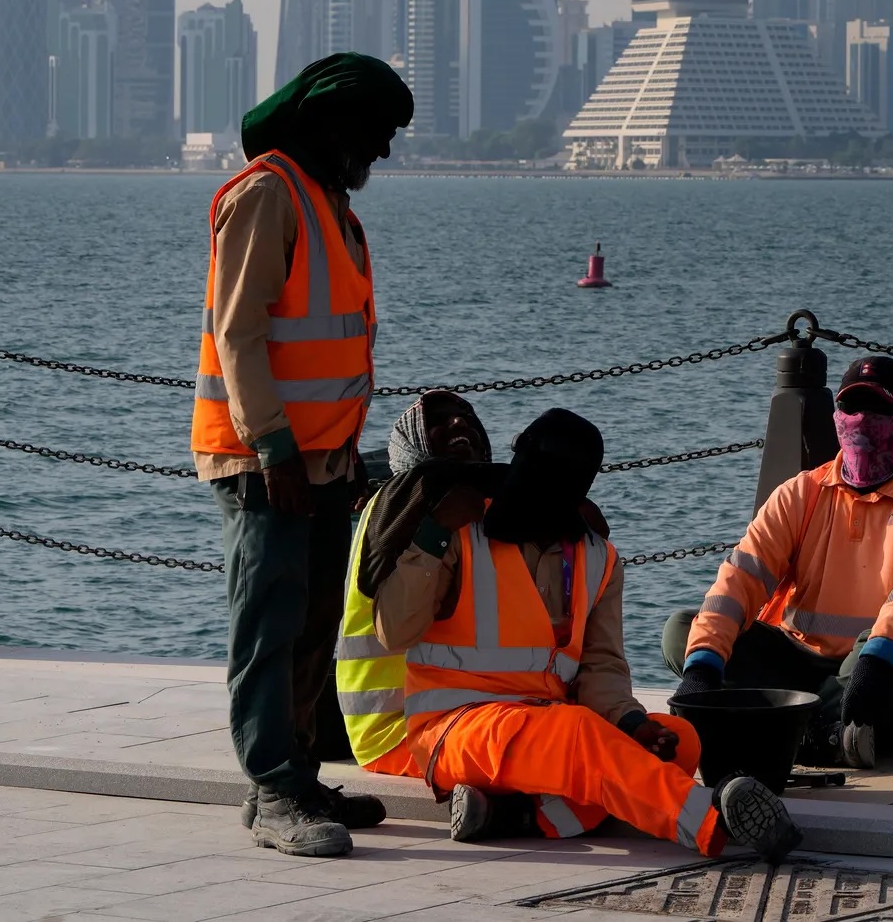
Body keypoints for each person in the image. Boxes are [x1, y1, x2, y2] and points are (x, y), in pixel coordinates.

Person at [368, 407, 801, 859]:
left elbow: (601, 666)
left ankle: (513, 817)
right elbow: (394, 632)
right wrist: (433, 533)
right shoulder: (460, 531)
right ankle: (712, 820)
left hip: (549, 728)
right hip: (455, 730)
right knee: (578, 734)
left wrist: (632, 722)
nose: (531, 483)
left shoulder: (597, 558)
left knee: (679, 742)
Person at [191, 52, 413, 857]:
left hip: (323, 462)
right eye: (375, 133)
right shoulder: (268, 194)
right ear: (329, 123)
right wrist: (275, 445)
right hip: (264, 461)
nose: (382, 152)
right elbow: (239, 331)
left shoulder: (327, 203)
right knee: (270, 622)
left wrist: (342, 458)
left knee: (316, 618)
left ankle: (297, 773)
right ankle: (274, 787)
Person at [665, 356, 893, 769]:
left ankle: (786, 724)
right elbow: (739, 579)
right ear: (835, 418)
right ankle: (828, 732)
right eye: (852, 408)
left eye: (879, 410)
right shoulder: (801, 492)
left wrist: (876, 660)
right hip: (803, 663)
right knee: (683, 631)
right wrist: (701, 668)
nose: (863, 420)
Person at [334, 391, 504, 780]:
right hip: (397, 731)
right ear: (415, 442)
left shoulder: (486, 514)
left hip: (462, 714)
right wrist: (433, 534)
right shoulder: (397, 512)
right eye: (439, 421)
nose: (460, 424)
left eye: (466, 417)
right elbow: (398, 631)